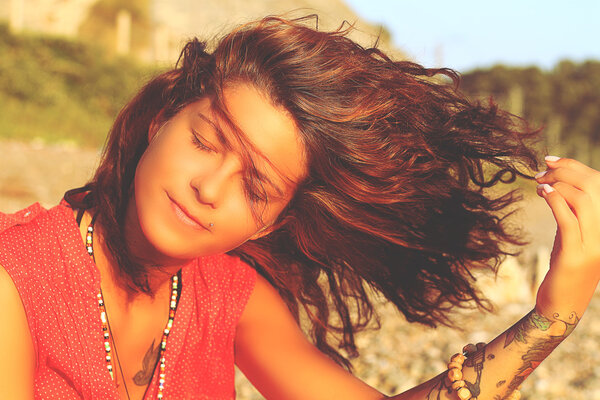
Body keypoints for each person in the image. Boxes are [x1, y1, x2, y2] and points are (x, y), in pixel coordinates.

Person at [0, 15, 598, 400]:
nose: (210, 187)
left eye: (256, 188)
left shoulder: (228, 296)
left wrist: (552, 317)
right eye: (206, 141)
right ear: (161, 119)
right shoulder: (16, 277)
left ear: (273, 219)